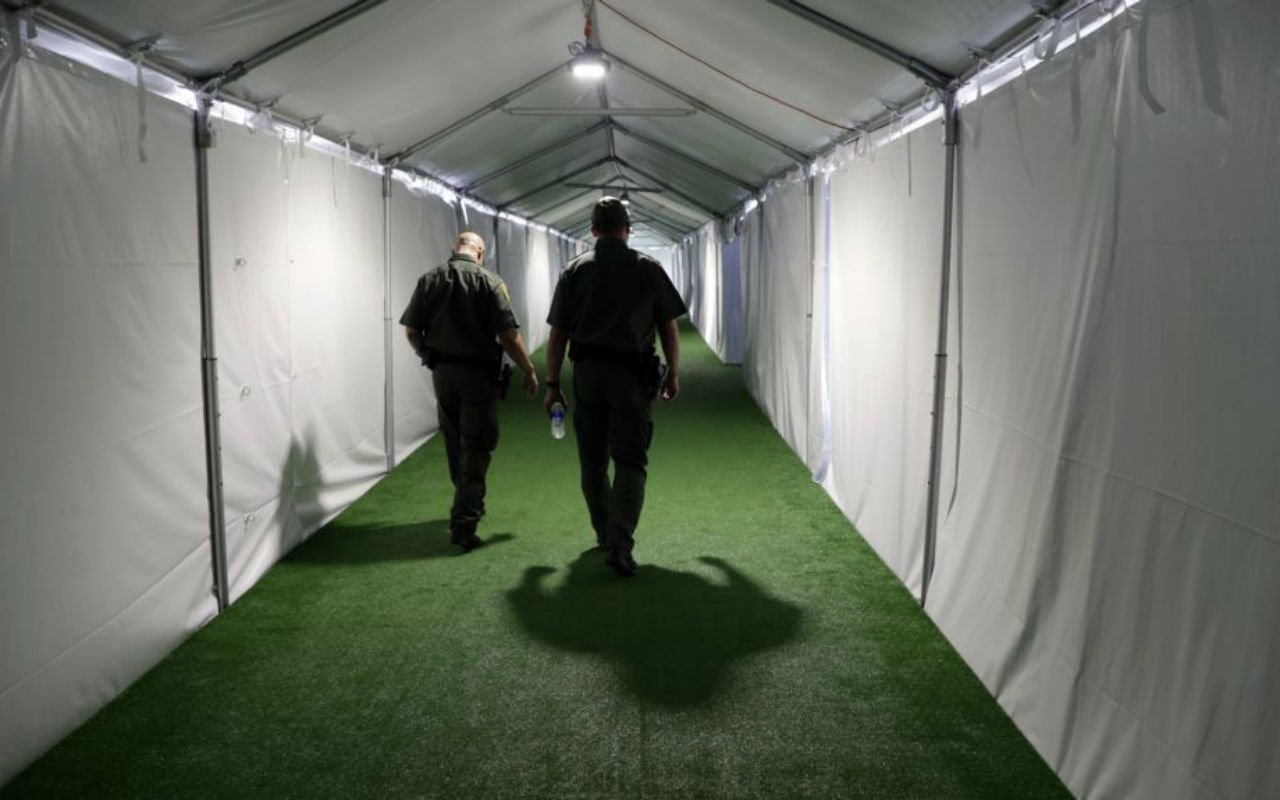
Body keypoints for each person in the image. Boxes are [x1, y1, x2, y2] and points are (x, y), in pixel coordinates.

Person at [543, 198, 687, 577]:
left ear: (592, 230)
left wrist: (553, 384)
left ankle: (604, 533)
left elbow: (558, 334)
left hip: (588, 375)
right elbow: (668, 327)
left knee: (592, 462)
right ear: (628, 228)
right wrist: (673, 372)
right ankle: (621, 544)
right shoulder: (648, 269)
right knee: (631, 460)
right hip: (632, 378)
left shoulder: (573, 271)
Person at [401, 232, 538, 551]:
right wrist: (528, 368)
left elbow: (411, 331)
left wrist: (428, 356)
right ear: (480, 252)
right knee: (478, 445)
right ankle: (465, 522)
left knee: (454, 440)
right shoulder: (489, 282)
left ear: (456, 249)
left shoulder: (429, 280)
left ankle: (466, 499)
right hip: (478, 374)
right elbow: (507, 334)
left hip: (443, 374)